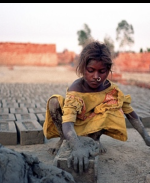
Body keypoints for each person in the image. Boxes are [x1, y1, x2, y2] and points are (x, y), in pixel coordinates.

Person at [43, 40, 150, 174]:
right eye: (91, 70)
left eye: (102, 71)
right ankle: (64, 139)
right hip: (73, 127)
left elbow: (131, 114)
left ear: (108, 70)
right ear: (83, 68)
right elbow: (68, 122)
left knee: (112, 105)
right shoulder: (76, 89)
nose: (96, 77)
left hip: (93, 126)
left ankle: (95, 140)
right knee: (54, 102)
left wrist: (146, 137)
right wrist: (76, 147)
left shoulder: (111, 91)